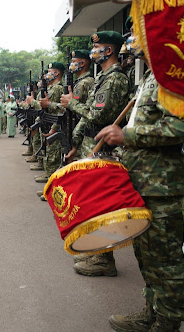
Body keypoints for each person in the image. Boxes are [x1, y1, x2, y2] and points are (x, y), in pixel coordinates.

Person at [97, 50, 184, 332]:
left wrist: (127, 136)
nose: (132, 41)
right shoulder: (151, 76)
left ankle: (167, 324)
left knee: (165, 262)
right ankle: (152, 314)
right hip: (141, 183)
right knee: (147, 257)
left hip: (160, 186)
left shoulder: (175, 75)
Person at [61, 31, 130, 277]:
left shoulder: (114, 79)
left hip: (105, 147)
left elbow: (98, 115)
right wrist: (76, 140)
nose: (94, 52)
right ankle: (98, 253)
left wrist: (73, 103)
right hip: (93, 144)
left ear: (108, 51)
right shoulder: (102, 78)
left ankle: (103, 259)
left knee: (101, 204)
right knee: (93, 202)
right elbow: (89, 114)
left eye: (97, 47)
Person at [26, 64, 66, 183]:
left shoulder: (58, 88)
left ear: (57, 73)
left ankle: (52, 183)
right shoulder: (52, 88)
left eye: (50, 71)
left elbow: (51, 108)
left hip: (54, 124)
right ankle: (49, 178)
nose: (46, 75)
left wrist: (32, 102)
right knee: (49, 152)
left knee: (53, 155)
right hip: (47, 123)